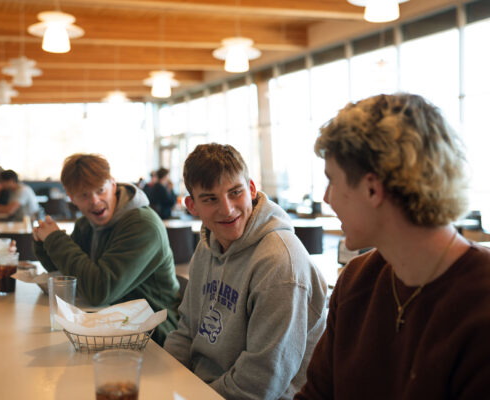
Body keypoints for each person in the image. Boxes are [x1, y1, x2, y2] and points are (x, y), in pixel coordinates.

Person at [295, 93, 490, 400]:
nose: (326, 198)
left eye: (332, 181)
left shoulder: (480, 305)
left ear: (373, 189)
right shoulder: (357, 279)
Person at [164, 143, 327, 399]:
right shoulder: (208, 245)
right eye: (210, 199)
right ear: (192, 206)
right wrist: (165, 382)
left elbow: (260, 382)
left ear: (251, 189)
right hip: (200, 389)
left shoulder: (280, 263)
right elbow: (186, 330)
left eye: (235, 192)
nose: (227, 209)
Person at [31, 153, 180, 346]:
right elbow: (68, 272)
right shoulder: (87, 224)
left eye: (100, 190)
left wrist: (55, 239)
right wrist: (43, 241)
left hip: (153, 334)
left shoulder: (142, 226)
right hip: (110, 325)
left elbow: (99, 290)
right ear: (71, 198)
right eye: (84, 195)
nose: (94, 201)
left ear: (113, 185)